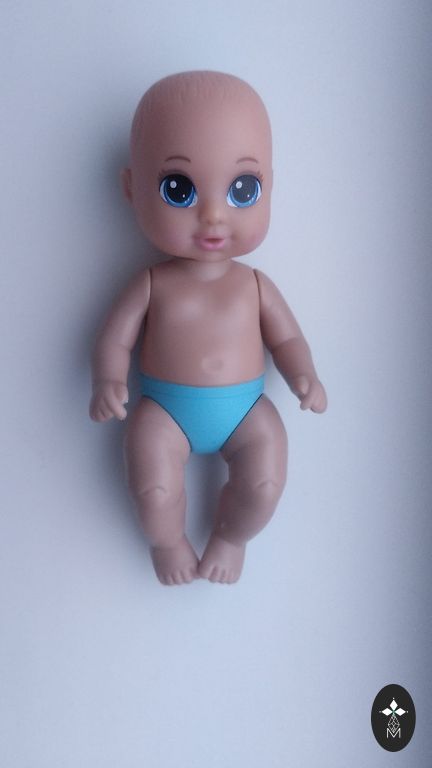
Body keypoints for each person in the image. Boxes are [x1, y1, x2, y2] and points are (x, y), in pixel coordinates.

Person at [90, 71, 327, 585]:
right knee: (152, 488)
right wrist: (108, 379)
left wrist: (303, 375)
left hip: (246, 410)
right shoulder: (151, 283)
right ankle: (167, 542)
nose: (214, 216)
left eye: (243, 189)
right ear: (132, 188)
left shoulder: (255, 284)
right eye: (178, 190)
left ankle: (231, 537)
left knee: (264, 483)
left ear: (270, 186)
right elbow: (115, 338)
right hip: (164, 411)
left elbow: (287, 338)